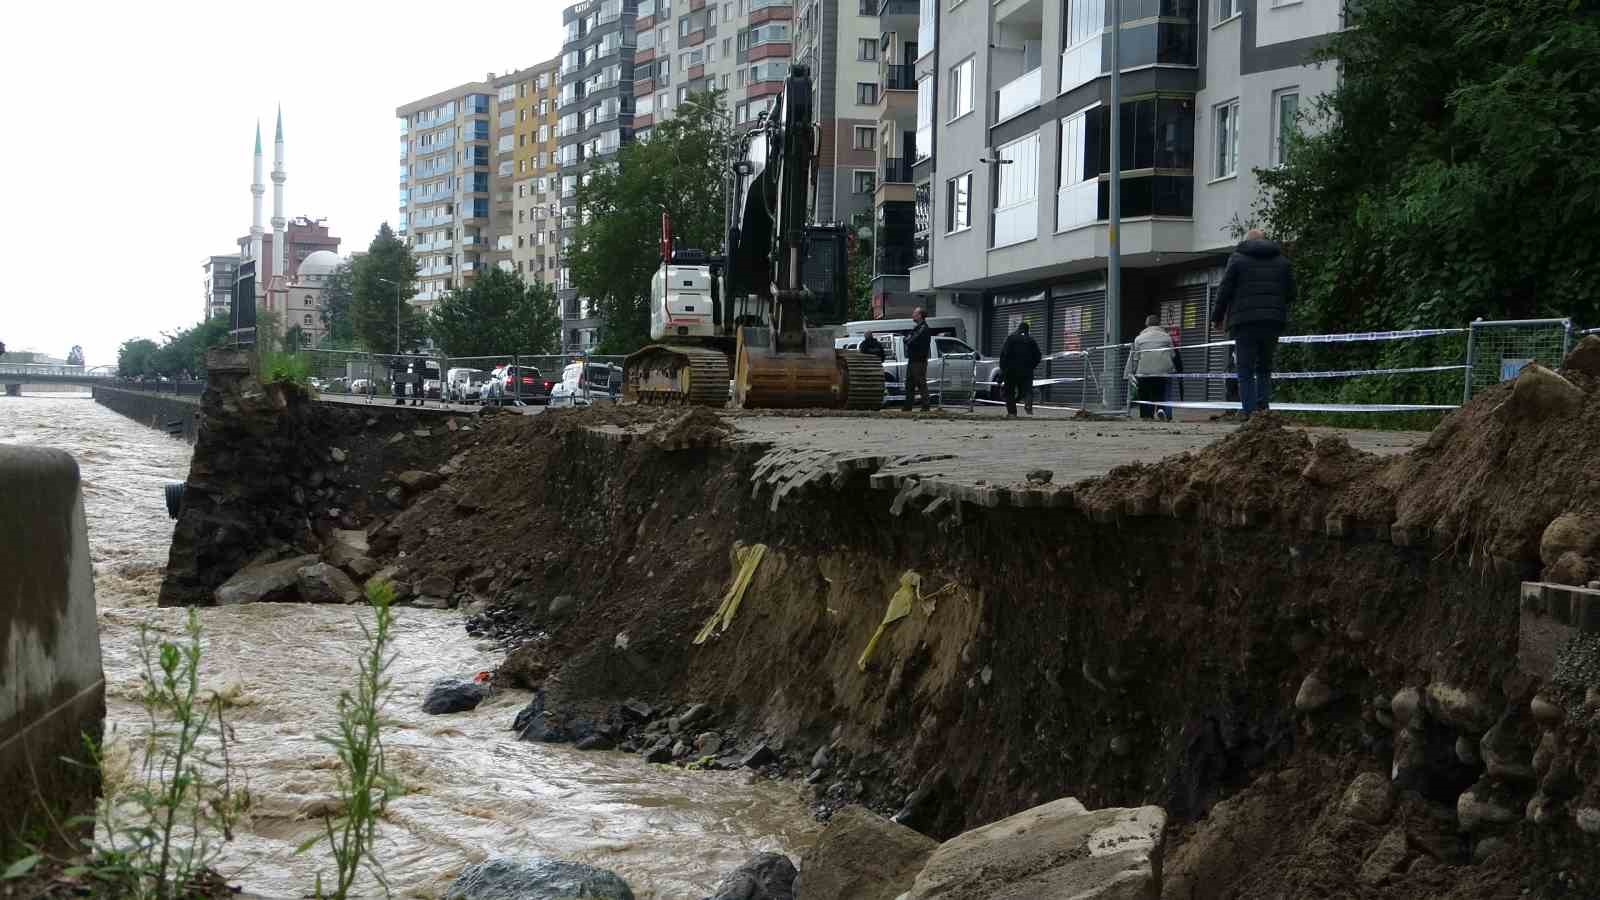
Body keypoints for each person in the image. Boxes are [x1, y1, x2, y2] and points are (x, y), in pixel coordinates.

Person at [1211, 228, 1294, 418]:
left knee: (1245, 369)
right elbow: (1291, 293)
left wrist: (1217, 317)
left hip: (1244, 322)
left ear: (1246, 241)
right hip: (1272, 322)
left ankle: (1249, 411)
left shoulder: (1237, 259)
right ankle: (1263, 408)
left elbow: (1225, 290)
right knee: (1265, 366)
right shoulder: (1282, 262)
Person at [1125, 315, 1178, 420]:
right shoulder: (1167, 337)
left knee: (1144, 393)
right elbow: (1172, 354)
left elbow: (1135, 358)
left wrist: (1130, 372)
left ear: (1146, 325)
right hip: (1162, 371)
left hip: (1144, 371)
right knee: (1160, 392)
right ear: (1159, 324)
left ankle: (1146, 415)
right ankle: (1160, 410)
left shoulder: (1139, 339)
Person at [998, 320, 1043, 417]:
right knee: (1027, 390)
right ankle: (1028, 405)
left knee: (1009, 391)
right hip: (1026, 371)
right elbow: (1038, 356)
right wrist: (1032, 366)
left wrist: (1003, 369)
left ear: (1018, 329)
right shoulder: (1031, 340)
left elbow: (1004, 355)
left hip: (1011, 371)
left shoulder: (1011, 338)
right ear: (1027, 330)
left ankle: (1012, 413)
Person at [904, 308, 932, 412]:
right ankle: (907, 406)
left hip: (919, 360)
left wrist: (908, 339)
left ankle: (925, 406)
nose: (913, 315)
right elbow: (906, 339)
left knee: (920, 383)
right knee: (909, 384)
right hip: (913, 359)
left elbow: (910, 340)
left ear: (920, 315)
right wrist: (908, 339)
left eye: (915, 313)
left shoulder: (923, 328)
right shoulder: (917, 328)